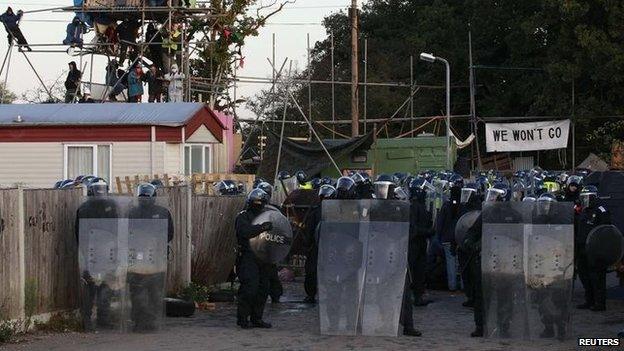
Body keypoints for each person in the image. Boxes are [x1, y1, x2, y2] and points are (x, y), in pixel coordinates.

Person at [464, 182, 521, 338]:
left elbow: (520, 237)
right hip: (487, 259)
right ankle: (480, 326)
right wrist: (470, 242)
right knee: (482, 296)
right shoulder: (487, 213)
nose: (492, 199)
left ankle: (504, 326)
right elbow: (473, 232)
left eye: (495, 195)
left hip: (506, 262)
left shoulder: (515, 216)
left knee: (505, 296)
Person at [127, 183, 174, 332]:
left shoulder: (133, 212)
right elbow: (169, 234)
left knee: (140, 290)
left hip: (144, 257)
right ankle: (150, 321)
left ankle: (141, 321)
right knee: (151, 290)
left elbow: (168, 234)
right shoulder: (161, 212)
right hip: (151, 257)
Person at [75, 178, 119, 331]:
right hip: (102, 250)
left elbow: (78, 233)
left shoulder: (84, 208)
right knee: (101, 285)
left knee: (93, 285)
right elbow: (117, 229)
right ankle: (100, 319)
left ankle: (90, 319)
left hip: (94, 250)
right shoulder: (110, 206)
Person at [530, 193, 569, 340]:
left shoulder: (562, 220)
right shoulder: (537, 220)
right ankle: (548, 327)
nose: (544, 207)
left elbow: (567, 241)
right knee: (542, 299)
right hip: (541, 262)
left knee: (558, 299)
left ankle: (561, 328)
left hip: (557, 263)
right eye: (542, 204)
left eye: (547, 204)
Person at [235, 189, 274, 329]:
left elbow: (279, 235)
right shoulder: (243, 217)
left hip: (264, 257)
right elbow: (244, 232)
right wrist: (261, 228)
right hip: (248, 256)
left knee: (263, 289)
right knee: (249, 288)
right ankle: (243, 318)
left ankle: (257, 318)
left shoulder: (269, 216)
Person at [575, 185, 611, 312]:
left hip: (595, 250)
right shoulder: (584, 211)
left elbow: (605, 230)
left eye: (587, 197)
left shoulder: (601, 210)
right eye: (583, 197)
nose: (584, 200)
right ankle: (589, 300)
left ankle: (599, 303)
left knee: (597, 277)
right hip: (582, 247)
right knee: (584, 275)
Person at [302, 184, 335, 303]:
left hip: (332, 247)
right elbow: (309, 230)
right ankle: (311, 294)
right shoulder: (315, 212)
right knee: (311, 271)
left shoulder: (338, 212)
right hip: (317, 246)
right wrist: (308, 244)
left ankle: (330, 294)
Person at [408, 177, 434, 307]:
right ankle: (413, 296)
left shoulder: (421, 206)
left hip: (420, 243)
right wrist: (428, 231)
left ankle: (418, 296)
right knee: (413, 271)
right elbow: (413, 228)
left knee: (420, 271)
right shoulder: (414, 206)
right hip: (414, 244)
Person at [435, 174, 463, 291]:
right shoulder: (462, 206)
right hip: (459, 238)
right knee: (461, 262)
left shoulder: (446, 206)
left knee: (450, 263)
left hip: (447, 238)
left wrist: (439, 236)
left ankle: (452, 286)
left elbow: (440, 223)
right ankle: (463, 286)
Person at [457, 182, 481, 308]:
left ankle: (474, 296)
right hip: (462, 243)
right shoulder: (462, 206)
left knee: (473, 273)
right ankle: (470, 296)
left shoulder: (478, 206)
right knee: (466, 273)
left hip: (473, 246)